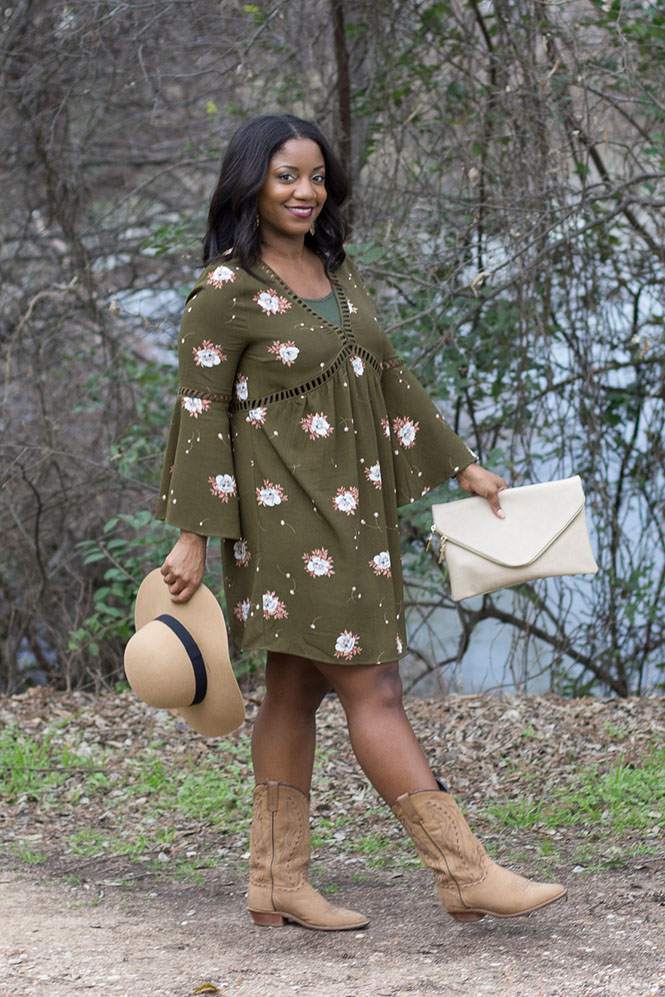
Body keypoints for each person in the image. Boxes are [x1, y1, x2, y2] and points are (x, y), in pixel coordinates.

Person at [156, 113, 566, 929]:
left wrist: (461, 466)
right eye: (286, 177)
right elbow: (198, 417)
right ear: (250, 185)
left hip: (354, 508)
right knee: (373, 686)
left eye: (316, 177)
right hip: (285, 521)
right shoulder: (225, 291)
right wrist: (193, 534)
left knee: (294, 687)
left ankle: (276, 882)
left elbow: (388, 375)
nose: (305, 191)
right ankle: (463, 871)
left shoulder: (333, 269)